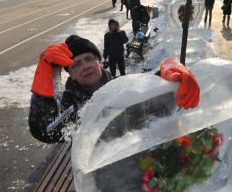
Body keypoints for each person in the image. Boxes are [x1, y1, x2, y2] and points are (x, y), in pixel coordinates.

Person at [29, 35, 200, 144]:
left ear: (100, 62)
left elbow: (147, 90)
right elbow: (47, 131)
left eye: (89, 59)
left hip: (137, 165)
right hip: (100, 180)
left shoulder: (121, 86)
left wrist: (168, 72)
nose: (85, 66)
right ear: (71, 75)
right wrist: (49, 76)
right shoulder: (72, 106)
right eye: (76, 64)